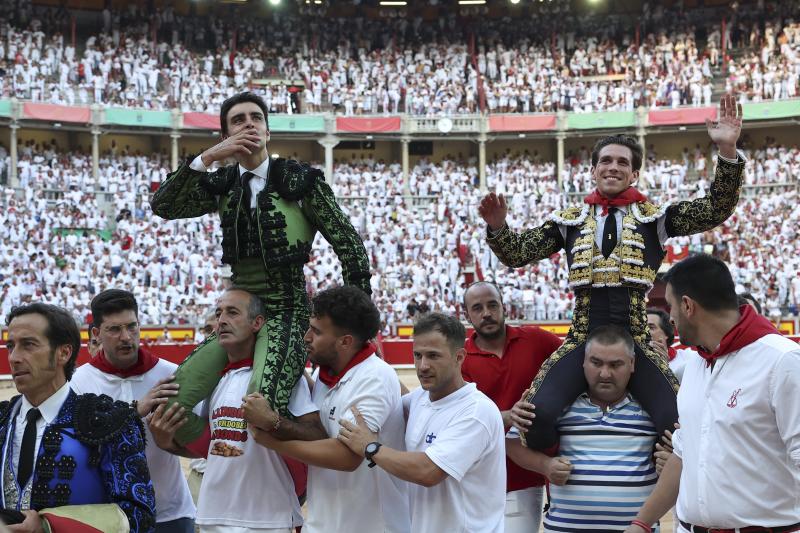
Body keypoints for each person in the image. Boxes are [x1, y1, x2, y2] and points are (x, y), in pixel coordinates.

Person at [479, 93, 745, 449]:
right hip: (582, 337)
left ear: (634, 173)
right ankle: (564, 489)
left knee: (677, 421)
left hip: (636, 337)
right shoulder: (568, 221)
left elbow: (715, 208)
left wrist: (727, 151)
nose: (613, 167)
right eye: (605, 161)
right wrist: (498, 227)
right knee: (537, 416)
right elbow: (517, 253)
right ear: (593, 171)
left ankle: (654, 493)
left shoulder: (656, 218)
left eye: (622, 162)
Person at [150, 92, 371, 450]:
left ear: (268, 132)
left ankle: (292, 482)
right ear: (226, 136)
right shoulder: (221, 184)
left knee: (258, 405)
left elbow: (351, 247)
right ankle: (217, 459)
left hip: (287, 310)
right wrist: (208, 158)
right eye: (238, 120)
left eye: (256, 118)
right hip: (239, 312)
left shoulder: (302, 182)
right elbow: (164, 205)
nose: (248, 123)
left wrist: (358, 324)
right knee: (168, 407)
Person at [624, 254, 800, 533]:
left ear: (687, 306)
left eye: (671, 306)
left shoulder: (782, 361)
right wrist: (641, 523)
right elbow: (684, 453)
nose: (670, 317)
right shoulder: (696, 364)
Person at [148, 288, 325, 533]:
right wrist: (168, 444)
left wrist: (274, 422)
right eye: (219, 313)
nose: (222, 320)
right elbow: (221, 450)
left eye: (232, 313)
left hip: (268, 519)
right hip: (213, 515)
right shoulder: (217, 381)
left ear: (257, 323)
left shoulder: (282, 379)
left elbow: (318, 436)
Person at [248, 286, 410, 533]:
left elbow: (347, 457)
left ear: (345, 342)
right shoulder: (325, 373)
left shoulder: (373, 377)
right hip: (326, 522)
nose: (306, 337)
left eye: (316, 331)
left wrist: (273, 438)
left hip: (371, 526)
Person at [338, 312, 506, 533]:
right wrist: (377, 368)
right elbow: (406, 402)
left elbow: (428, 472)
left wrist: (370, 447)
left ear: (459, 357)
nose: (423, 365)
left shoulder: (475, 412)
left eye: (433, 356)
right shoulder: (419, 400)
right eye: (417, 355)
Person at [1, 303, 156, 532]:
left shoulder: (110, 420)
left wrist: (49, 526)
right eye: (11, 346)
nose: (14, 358)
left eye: (29, 345)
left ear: (64, 352)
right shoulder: (3, 419)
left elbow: (139, 517)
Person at [507, 325, 661, 532]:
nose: (605, 373)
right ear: (583, 362)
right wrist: (545, 465)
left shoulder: (652, 410)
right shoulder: (556, 406)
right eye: (596, 363)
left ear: (632, 363)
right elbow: (511, 442)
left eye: (616, 364)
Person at [70, 289, 196, 533]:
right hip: (109, 516)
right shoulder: (77, 383)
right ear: (96, 333)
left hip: (171, 513)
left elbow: (202, 445)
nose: (126, 337)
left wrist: (171, 444)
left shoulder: (172, 375)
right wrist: (134, 410)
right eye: (114, 329)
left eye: (132, 327)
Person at [461, 281, 562, 532]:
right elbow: (460, 418)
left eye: (492, 305)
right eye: (477, 308)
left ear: (504, 307)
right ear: (467, 315)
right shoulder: (460, 359)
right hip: (476, 479)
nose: (486, 313)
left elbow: (577, 360)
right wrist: (506, 416)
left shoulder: (537, 340)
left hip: (525, 479)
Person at [646, 307, 692, 383]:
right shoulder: (632, 362)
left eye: (651, 327)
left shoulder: (688, 357)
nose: (644, 331)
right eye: (642, 327)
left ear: (665, 334)